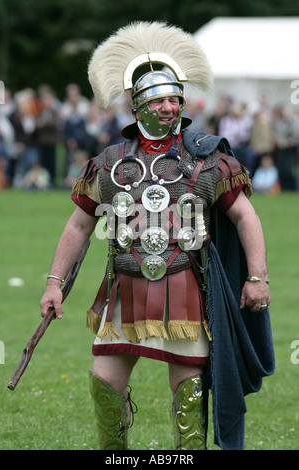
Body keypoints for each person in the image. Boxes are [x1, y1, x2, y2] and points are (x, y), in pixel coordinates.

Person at [40, 22, 275, 451]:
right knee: (104, 385)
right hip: (124, 285)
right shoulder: (108, 162)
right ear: (136, 107)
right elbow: (78, 225)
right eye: (158, 100)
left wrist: (256, 277)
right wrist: (54, 283)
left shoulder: (207, 159)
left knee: (189, 394)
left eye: (174, 99)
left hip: (184, 283)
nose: (168, 108)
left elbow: (246, 217)